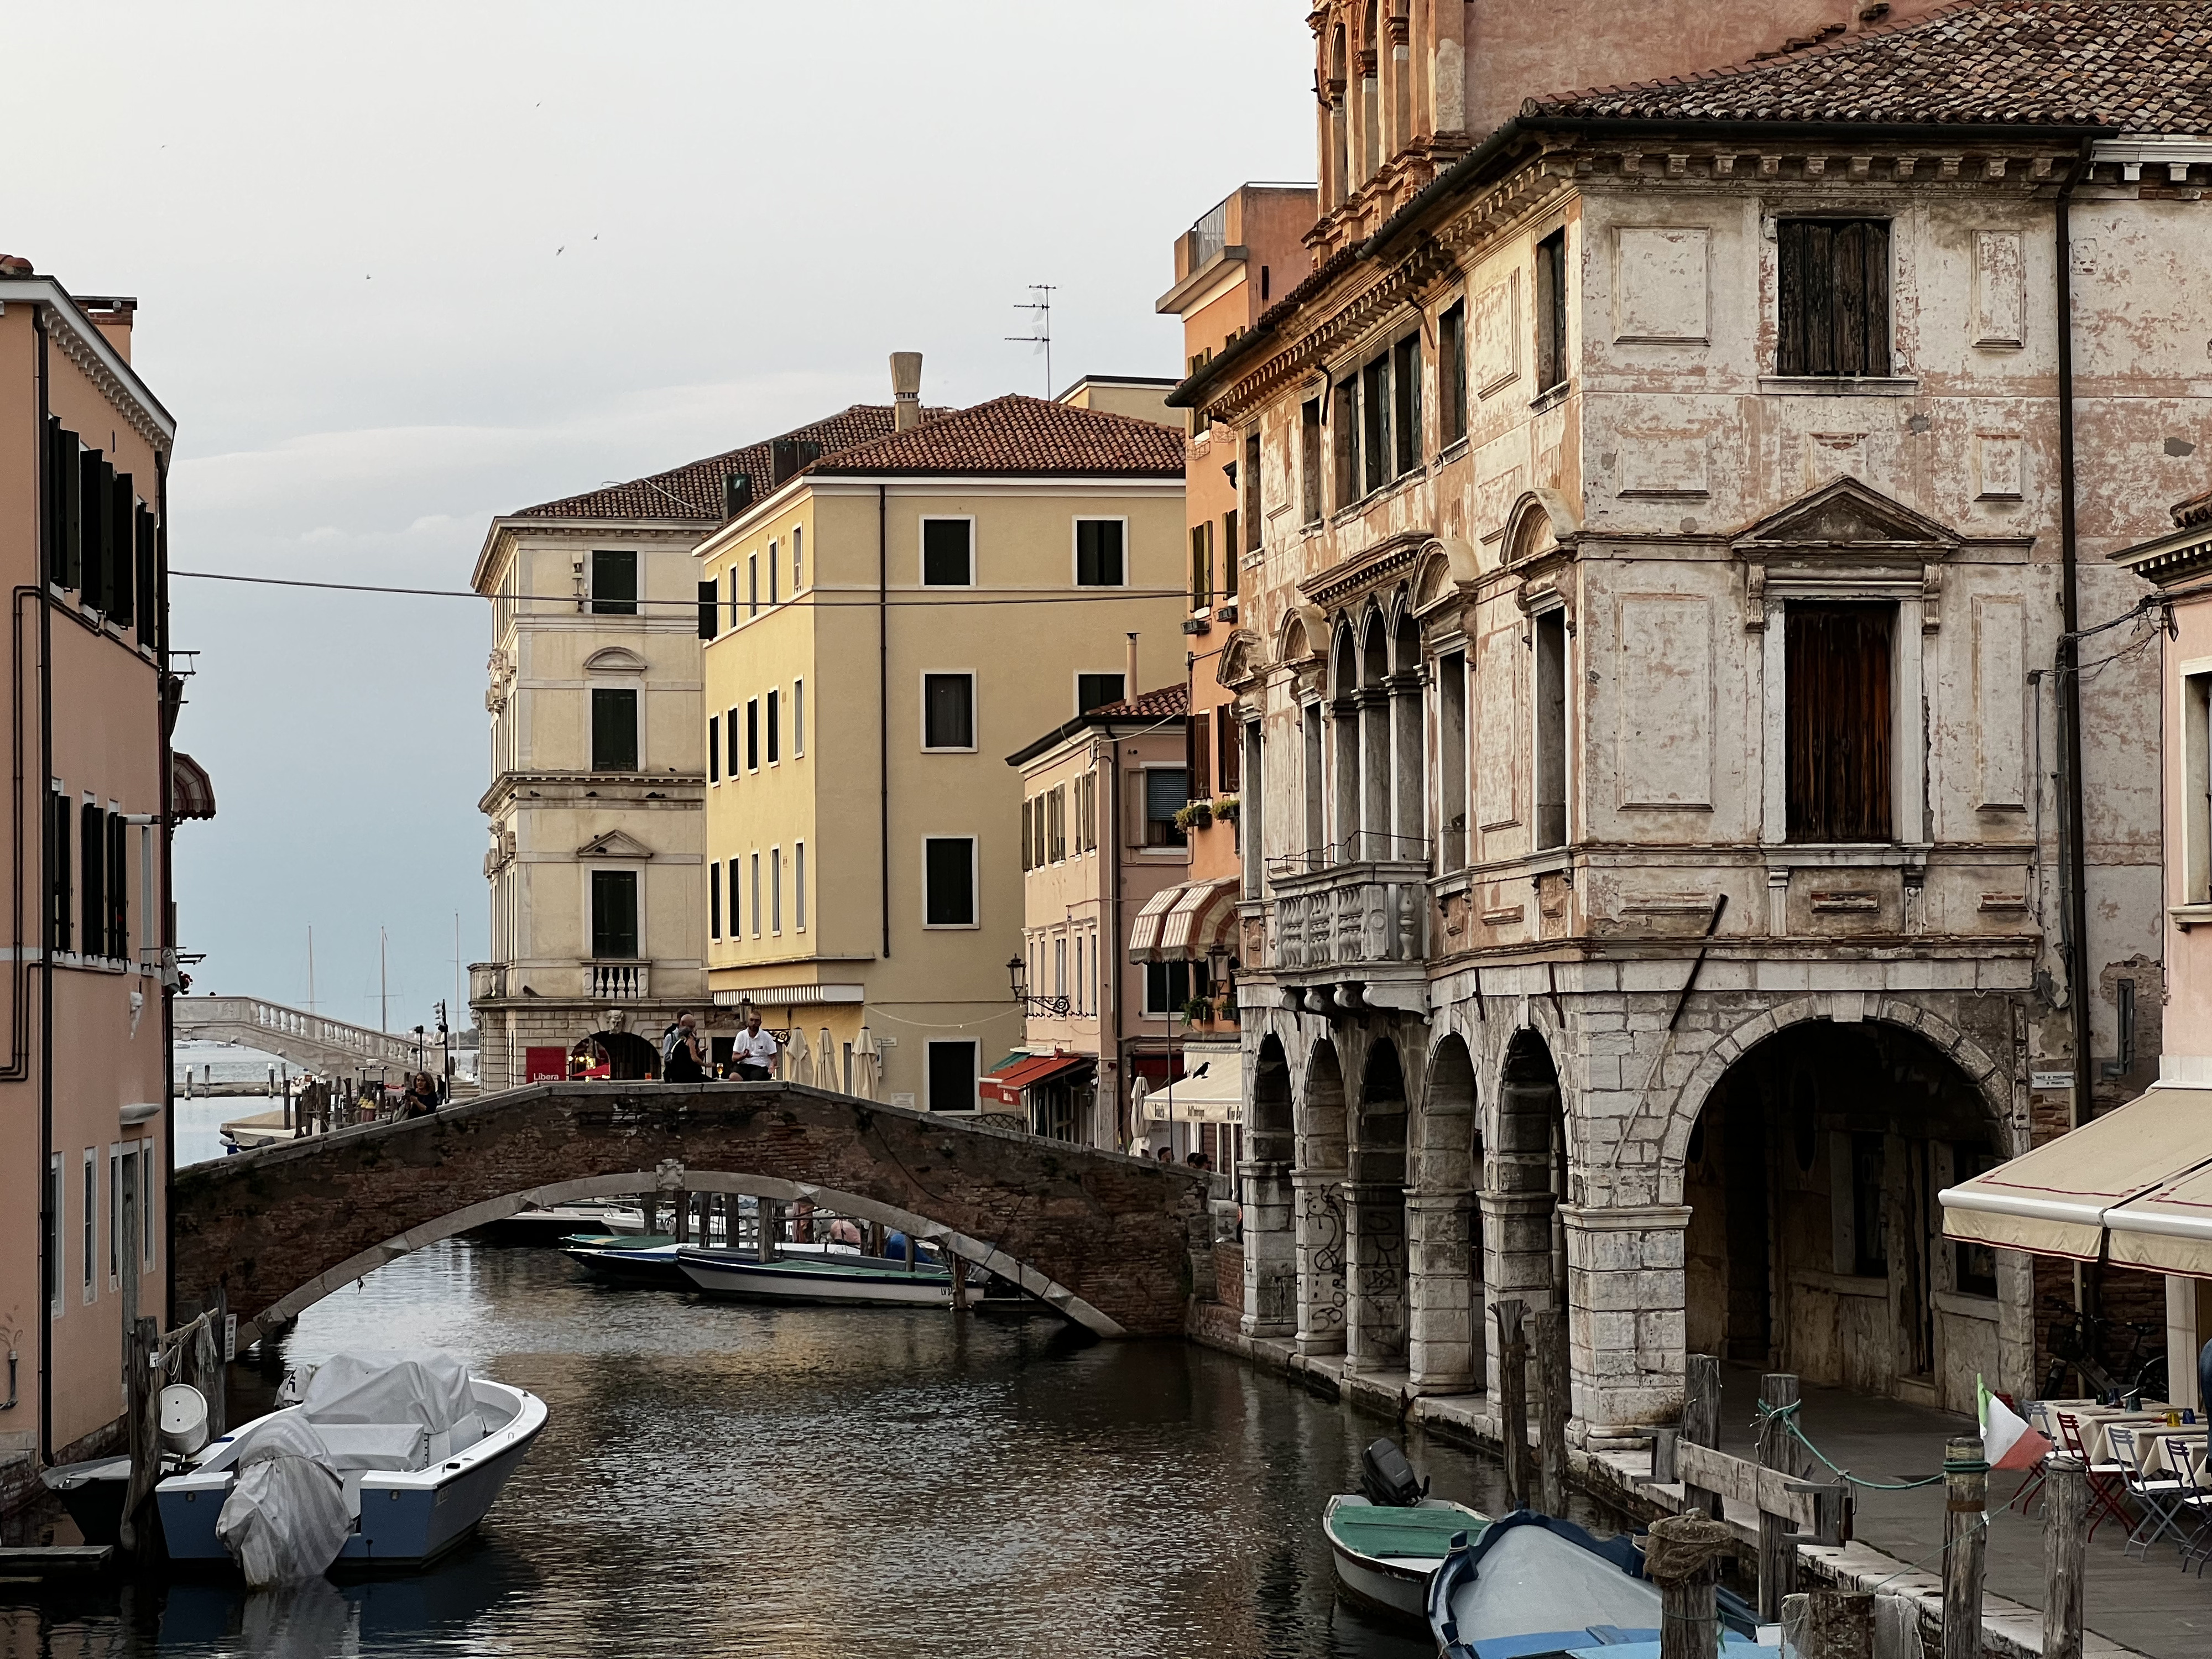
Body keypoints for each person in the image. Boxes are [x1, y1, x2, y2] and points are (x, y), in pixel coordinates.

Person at [729, 1009, 780, 1081]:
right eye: (752, 1020)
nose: (754, 1023)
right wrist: (744, 1056)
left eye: (757, 1021)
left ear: (760, 1023)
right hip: (744, 1065)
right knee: (733, 1077)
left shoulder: (766, 1036)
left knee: (755, 1080)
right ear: (748, 1022)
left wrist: (772, 1066)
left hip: (761, 1066)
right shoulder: (741, 1035)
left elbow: (774, 1058)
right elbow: (734, 1058)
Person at [662, 1013, 707, 1083]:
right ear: (683, 1024)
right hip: (676, 1073)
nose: (692, 1030)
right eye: (690, 1027)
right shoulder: (670, 1037)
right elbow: (667, 1057)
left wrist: (698, 1055)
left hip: (689, 1072)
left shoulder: (690, 1038)